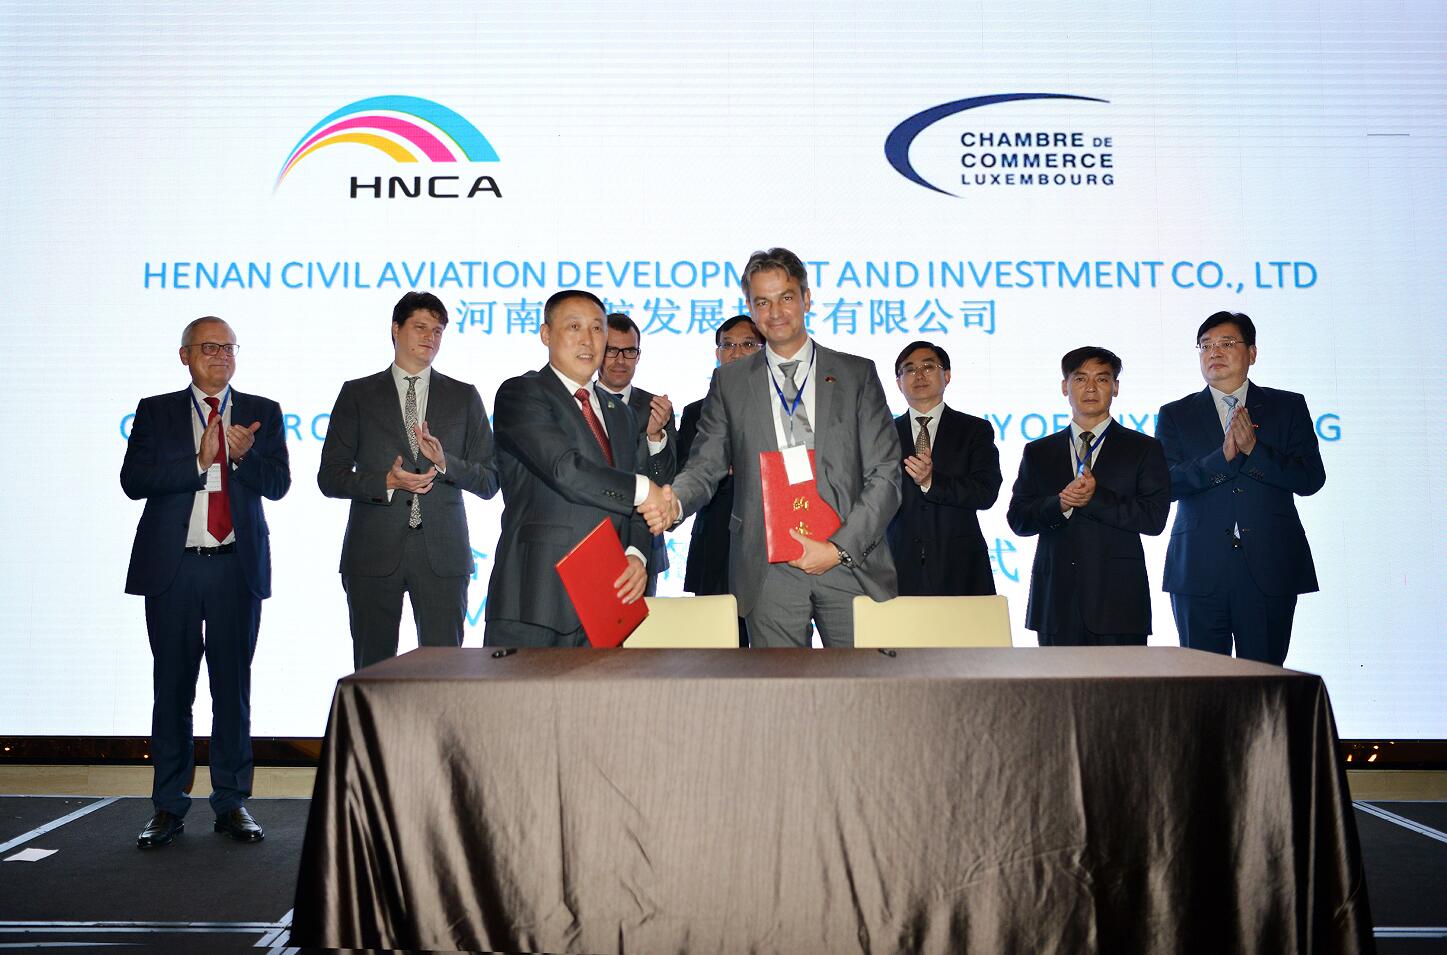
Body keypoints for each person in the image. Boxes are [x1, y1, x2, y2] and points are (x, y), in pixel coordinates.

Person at [644, 248, 901, 647]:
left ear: (806, 299)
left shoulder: (856, 374)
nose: (776, 312)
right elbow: (706, 465)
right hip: (767, 567)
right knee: (779, 685)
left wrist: (838, 549)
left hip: (848, 559)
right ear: (750, 308)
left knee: (862, 684)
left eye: (786, 297)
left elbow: (886, 474)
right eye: (762, 302)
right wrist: (675, 501)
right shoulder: (730, 382)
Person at [121, 316, 291, 848]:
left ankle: (231, 802)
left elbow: (279, 484)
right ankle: (168, 806)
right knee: (172, 688)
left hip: (234, 567)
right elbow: (134, 480)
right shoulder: (156, 411)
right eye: (209, 347)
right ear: (185, 355)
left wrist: (243, 459)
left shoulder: (262, 411)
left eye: (229, 347)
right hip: (174, 568)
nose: (221, 356)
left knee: (231, 690)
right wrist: (198, 463)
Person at [318, 291, 499, 670]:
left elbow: (489, 481)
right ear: (395, 329)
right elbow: (330, 477)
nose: (430, 337)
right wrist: (385, 482)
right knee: (373, 670)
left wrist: (445, 462)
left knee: (443, 673)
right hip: (372, 551)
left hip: (442, 555)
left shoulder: (464, 396)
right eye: (420, 327)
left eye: (438, 331)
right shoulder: (358, 394)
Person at [485, 290, 665, 647]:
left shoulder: (621, 414)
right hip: (536, 597)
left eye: (597, 328)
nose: (587, 339)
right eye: (574, 327)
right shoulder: (521, 394)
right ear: (546, 334)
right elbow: (565, 470)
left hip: (608, 598)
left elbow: (630, 494)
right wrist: (647, 491)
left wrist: (636, 554)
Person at [1157, 311, 1325, 665]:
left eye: (1226, 343)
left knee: (1263, 679)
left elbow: (1310, 479)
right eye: (1205, 346)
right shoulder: (1176, 414)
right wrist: (1220, 459)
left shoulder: (1287, 407)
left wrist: (1255, 452)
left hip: (1269, 566)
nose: (1214, 352)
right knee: (1202, 681)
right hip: (1199, 568)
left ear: (1252, 353)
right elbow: (1165, 484)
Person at [1006, 347, 1169, 646]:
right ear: (1065, 387)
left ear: (1115, 387)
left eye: (1102, 379)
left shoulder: (1144, 448)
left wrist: (1096, 498)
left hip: (1119, 604)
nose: (1091, 388)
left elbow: (1154, 519)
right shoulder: (1039, 451)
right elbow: (1018, 519)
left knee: (1121, 680)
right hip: (1055, 602)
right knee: (1058, 680)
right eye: (1080, 379)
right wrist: (1060, 504)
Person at [886, 340, 1002, 596]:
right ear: (899, 383)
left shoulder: (974, 430)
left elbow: (985, 492)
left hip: (960, 568)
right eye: (909, 369)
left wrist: (931, 481)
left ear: (946, 376)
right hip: (896, 565)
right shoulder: (883, 433)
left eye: (928, 367)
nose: (919, 375)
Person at [677, 315, 763, 645]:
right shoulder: (695, 412)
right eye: (727, 345)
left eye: (747, 344)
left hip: (770, 547)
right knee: (716, 652)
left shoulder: (783, 408)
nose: (736, 352)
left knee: (775, 655)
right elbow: (684, 474)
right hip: (715, 542)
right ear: (717, 353)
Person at [597, 312, 677, 594]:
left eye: (629, 351)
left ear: (638, 355)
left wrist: (655, 436)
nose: (620, 360)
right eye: (611, 350)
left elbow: (666, 485)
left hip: (643, 548)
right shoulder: (576, 403)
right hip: (586, 541)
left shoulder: (657, 408)